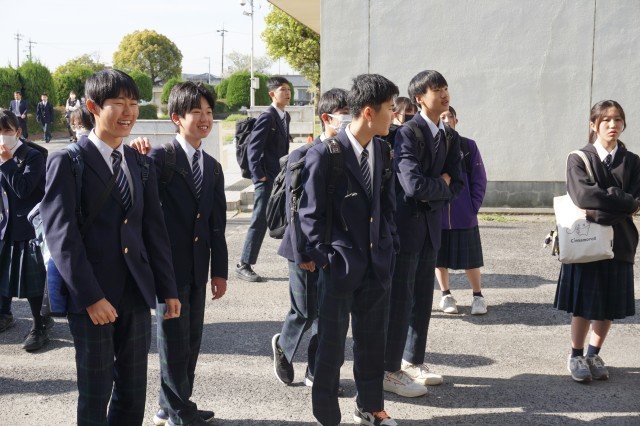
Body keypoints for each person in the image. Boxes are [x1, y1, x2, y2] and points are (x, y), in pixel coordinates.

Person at [40, 69, 181, 425]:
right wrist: (91, 297)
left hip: (135, 294)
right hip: (93, 299)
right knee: (95, 392)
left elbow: (154, 231)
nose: (128, 112)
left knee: (133, 392)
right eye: (118, 103)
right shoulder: (67, 161)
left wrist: (167, 289)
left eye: (133, 103)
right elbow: (62, 237)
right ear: (92, 107)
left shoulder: (139, 163)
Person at [300, 74, 399, 426]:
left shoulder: (383, 150)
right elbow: (309, 215)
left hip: (376, 264)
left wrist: (389, 246)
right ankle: (327, 415)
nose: (395, 115)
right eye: (390, 108)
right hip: (339, 268)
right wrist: (327, 260)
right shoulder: (326, 154)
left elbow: (387, 206)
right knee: (330, 348)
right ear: (369, 112)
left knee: (372, 344)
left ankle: (371, 407)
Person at [131, 81, 228, 426]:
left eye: (209, 112)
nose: (205, 119)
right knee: (173, 343)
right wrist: (138, 157)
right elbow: (139, 202)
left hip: (198, 270)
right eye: (196, 112)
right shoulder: (160, 158)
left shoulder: (213, 166)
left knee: (191, 341)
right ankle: (179, 413)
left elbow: (217, 224)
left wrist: (220, 271)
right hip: (167, 270)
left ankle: (170, 405)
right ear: (176, 118)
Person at [384, 70, 463, 398]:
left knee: (422, 299)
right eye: (436, 89)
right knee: (400, 300)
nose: (444, 94)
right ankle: (389, 369)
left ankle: (413, 360)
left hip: (431, 227)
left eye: (445, 88)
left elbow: (458, 183)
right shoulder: (408, 133)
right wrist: (440, 185)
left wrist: (438, 190)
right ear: (419, 98)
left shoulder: (450, 136)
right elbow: (412, 185)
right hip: (405, 228)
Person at [554, 100, 640, 383]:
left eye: (618, 120)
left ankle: (594, 353)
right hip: (587, 241)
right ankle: (575, 355)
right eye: (606, 120)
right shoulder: (579, 158)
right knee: (584, 303)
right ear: (593, 125)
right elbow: (583, 196)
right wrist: (620, 201)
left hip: (621, 242)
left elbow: (635, 201)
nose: (613, 125)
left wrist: (598, 210)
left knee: (609, 304)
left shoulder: (633, 161)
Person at [272, 88, 350, 392]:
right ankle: (283, 346)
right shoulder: (305, 155)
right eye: (343, 113)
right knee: (304, 310)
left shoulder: (350, 152)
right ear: (327, 118)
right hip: (302, 246)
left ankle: (317, 372)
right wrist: (303, 252)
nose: (349, 118)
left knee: (328, 316)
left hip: (335, 248)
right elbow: (295, 210)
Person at [0, 109, 52, 350]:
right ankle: (4, 314)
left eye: (7, 130)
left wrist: (7, 162)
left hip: (28, 227)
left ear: (18, 131)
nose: (2, 136)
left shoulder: (33, 156)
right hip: (4, 225)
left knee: (32, 282)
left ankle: (40, 325)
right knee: (3, 274)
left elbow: (24, 189)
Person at [235, 76, 291, 282]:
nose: (287, 93)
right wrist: (259, 176)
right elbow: (253, 149)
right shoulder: (267, 117)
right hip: (266, 179)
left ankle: (296, 261)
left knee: (286, 217)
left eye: (288, 89)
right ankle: (244, 264)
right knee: (259, 220)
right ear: (272, 94)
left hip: (279, 178)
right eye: (283, 90)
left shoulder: (285, 116)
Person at [435, 106, 488, 315]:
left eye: (450, 116)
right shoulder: (431, 146)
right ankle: (446, 295)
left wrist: (473, 206)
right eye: (442, 116)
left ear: (456, 120)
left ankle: (478, 296)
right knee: (439, 258)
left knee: (471, 259)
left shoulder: (468, 146)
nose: (446, 119)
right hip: (437, 216)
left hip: (464, 215)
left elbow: (479, 179)